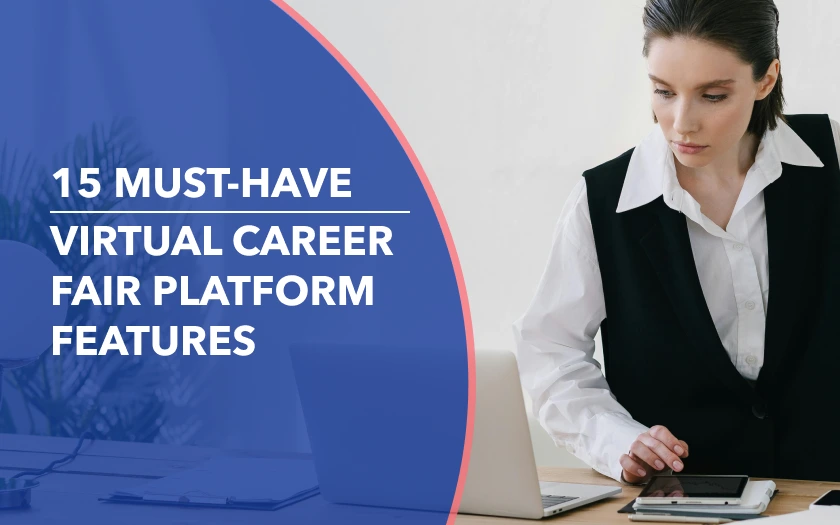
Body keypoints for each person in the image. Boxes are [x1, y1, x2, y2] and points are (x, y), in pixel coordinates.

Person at [513, 0, 840, 485]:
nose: (681, 122)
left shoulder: (830, 159)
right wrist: (617, 440)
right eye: (664, 92)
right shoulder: (602, 201)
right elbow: (550, 350)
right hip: (676, 505)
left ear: (766, 80)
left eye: (712, 95)